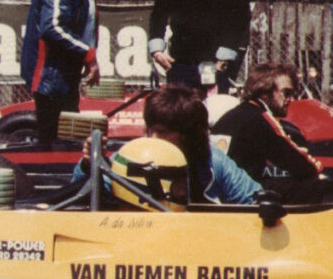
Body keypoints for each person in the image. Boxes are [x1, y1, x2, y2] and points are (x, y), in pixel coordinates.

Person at [77, 85, 261, 206]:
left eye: (163, 132)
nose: (153, 137)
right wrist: (89, 165)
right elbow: (80, 195)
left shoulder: (213, 161)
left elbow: (253, 198)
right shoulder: (132, 156)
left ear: (188, 134)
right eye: (150, 129)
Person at [20, 0, 106, 147]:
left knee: (68, 139)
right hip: (51, 77)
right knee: (54, 145)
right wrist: (88, 54)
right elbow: (53, 28)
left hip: (64, 75)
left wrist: (87, 58)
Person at [211, 62, 322, 199]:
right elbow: (298, 161)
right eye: (286, 92)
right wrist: (318, 170)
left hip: (218, 194)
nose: (291, 99)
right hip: (241, 199)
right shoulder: (260, 118)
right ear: (265, 91)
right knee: (316, 186)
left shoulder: (234, 115)